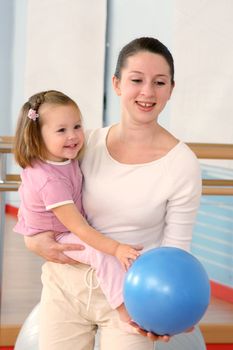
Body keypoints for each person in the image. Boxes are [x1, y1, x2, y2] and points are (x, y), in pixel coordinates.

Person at [23, 37, 202, 350]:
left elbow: (176, 251)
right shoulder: (83, 143)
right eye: (136, 80)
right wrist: (31, 239)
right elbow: (40, 193)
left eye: (159, 82)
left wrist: (167, 307)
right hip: (66, 286)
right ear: (117, 84)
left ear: (171, 89)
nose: (147, 92)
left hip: (132, 294)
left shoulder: (182, 163)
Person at [14, 90, 141, 322]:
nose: (73, 136)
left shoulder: (62, 158)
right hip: (58, 234)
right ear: (37, 136)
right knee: (101, 253)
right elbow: (80, 228)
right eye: (61, 130)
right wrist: (116, 249)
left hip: (63, 227)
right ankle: (123, 307)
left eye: (77, 126)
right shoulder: (50, 180)